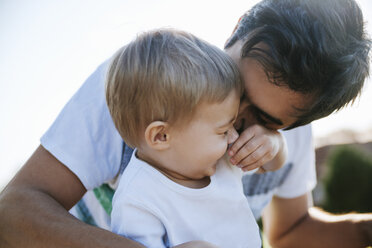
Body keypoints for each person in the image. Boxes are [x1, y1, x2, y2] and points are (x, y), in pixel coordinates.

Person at [0, 0, 371, 247]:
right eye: (235, 83)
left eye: (266, 120)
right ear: (238, 26)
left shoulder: (293, 137)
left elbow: (288, 232)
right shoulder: (144, 83)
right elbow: (14, 212)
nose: (234, 121)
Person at [107, 28, 274, 247]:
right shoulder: (138, 199)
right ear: (161, 136)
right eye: (223, 130)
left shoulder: (221, 158)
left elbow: (271, 164)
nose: (234, 136)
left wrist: (273, 143)